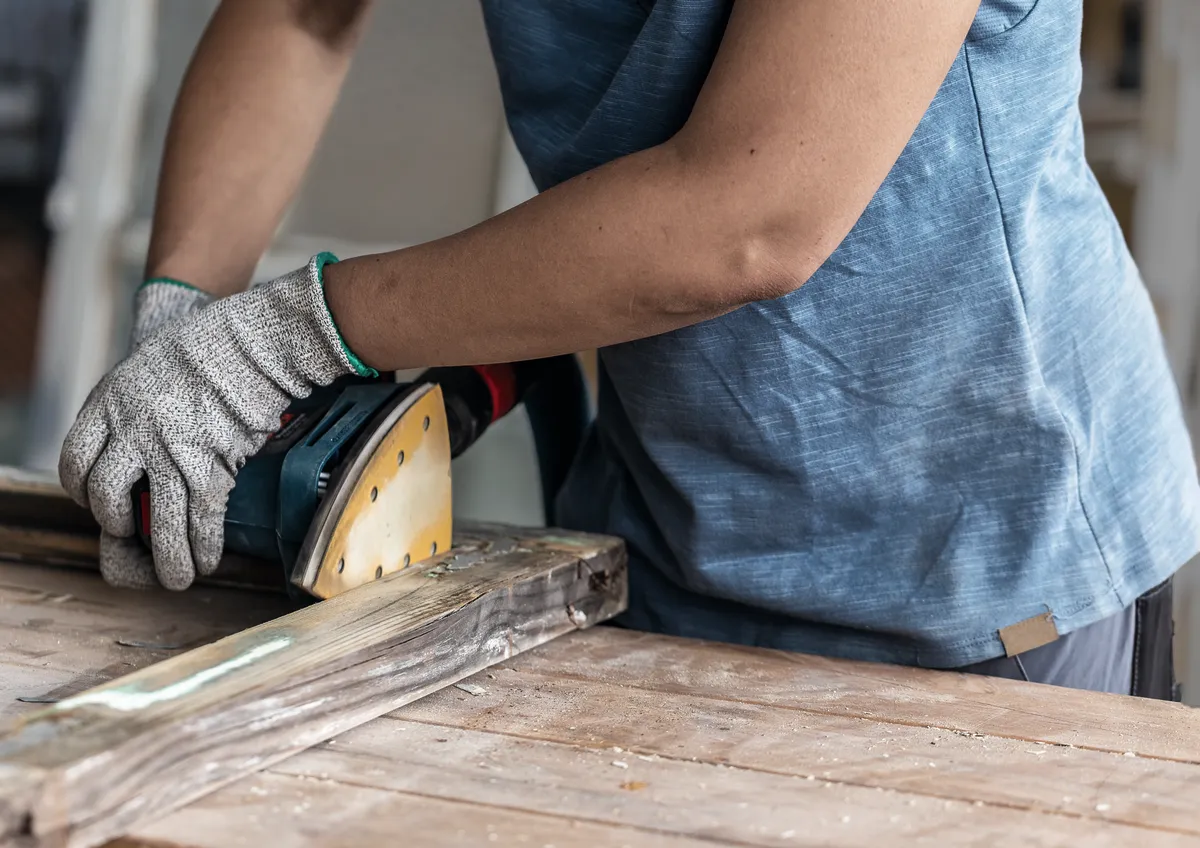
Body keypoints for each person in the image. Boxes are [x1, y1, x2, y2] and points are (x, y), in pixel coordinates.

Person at [59, 0, 1200, 699]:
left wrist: (297, 332)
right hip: (671, 512)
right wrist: (186, 319)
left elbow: (753, 214)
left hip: (980, 556)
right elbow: (304, 11)